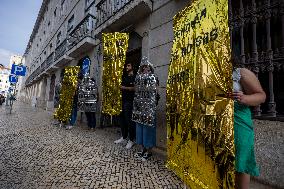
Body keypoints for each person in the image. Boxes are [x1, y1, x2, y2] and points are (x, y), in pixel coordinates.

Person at [231, 57, 266, 189]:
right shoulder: (207, 74)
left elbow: (261, 96)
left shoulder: (240, 73)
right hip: (216, 122)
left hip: (238, 120)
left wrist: (244, 98)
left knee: (241, 161)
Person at [133, 58, 159, 161]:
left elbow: (156, 91)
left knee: (148, 129)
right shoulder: (138, 78)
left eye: (147, 68)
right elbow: (136, 90)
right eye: (143, 68)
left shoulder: (154, 78)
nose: (145, 69)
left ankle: (149, 151)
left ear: (150, 69)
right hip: (139, 108)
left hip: (149, 109)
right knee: (140, 129)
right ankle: (143, 149)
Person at [114, 62, 136, 149]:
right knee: (122, 120)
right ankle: (123, 137)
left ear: (132, 67)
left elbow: (135, 88)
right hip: (122, 101)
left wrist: (124, 88)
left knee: (129, 121)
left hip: (130, 102)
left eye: (128, 65)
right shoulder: (125, 77)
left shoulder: (135, 77)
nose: (126, 67)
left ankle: (131, 140)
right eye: (126, 66)